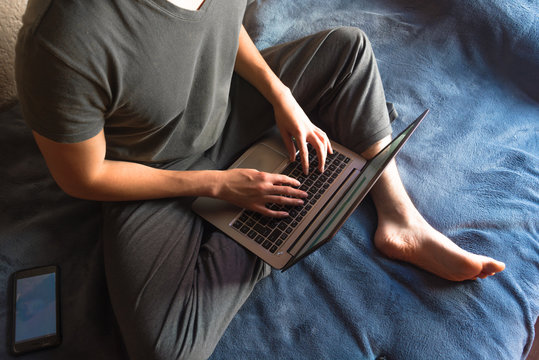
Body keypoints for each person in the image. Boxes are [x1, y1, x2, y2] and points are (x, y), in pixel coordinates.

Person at [16, 0, 505, 358]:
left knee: (348, 50)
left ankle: (400, 220)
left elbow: (223, 28)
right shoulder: (63, 39)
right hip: (154, 172)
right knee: (169, 348)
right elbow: (84, 175)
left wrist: (281, 95)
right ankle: (283, 218)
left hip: (223, 109)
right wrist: (216, 187)